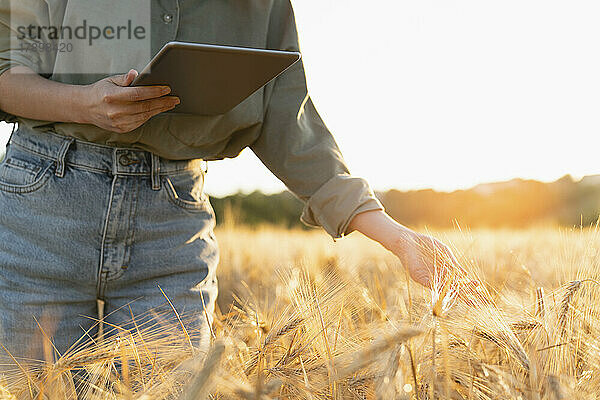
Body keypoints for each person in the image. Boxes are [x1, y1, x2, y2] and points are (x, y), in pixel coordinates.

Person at [0, 0, 459, 363]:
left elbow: (290, 126)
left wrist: (397, 238)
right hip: (42, 207)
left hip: (172, 224)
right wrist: (82, 104)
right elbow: (6, 69)